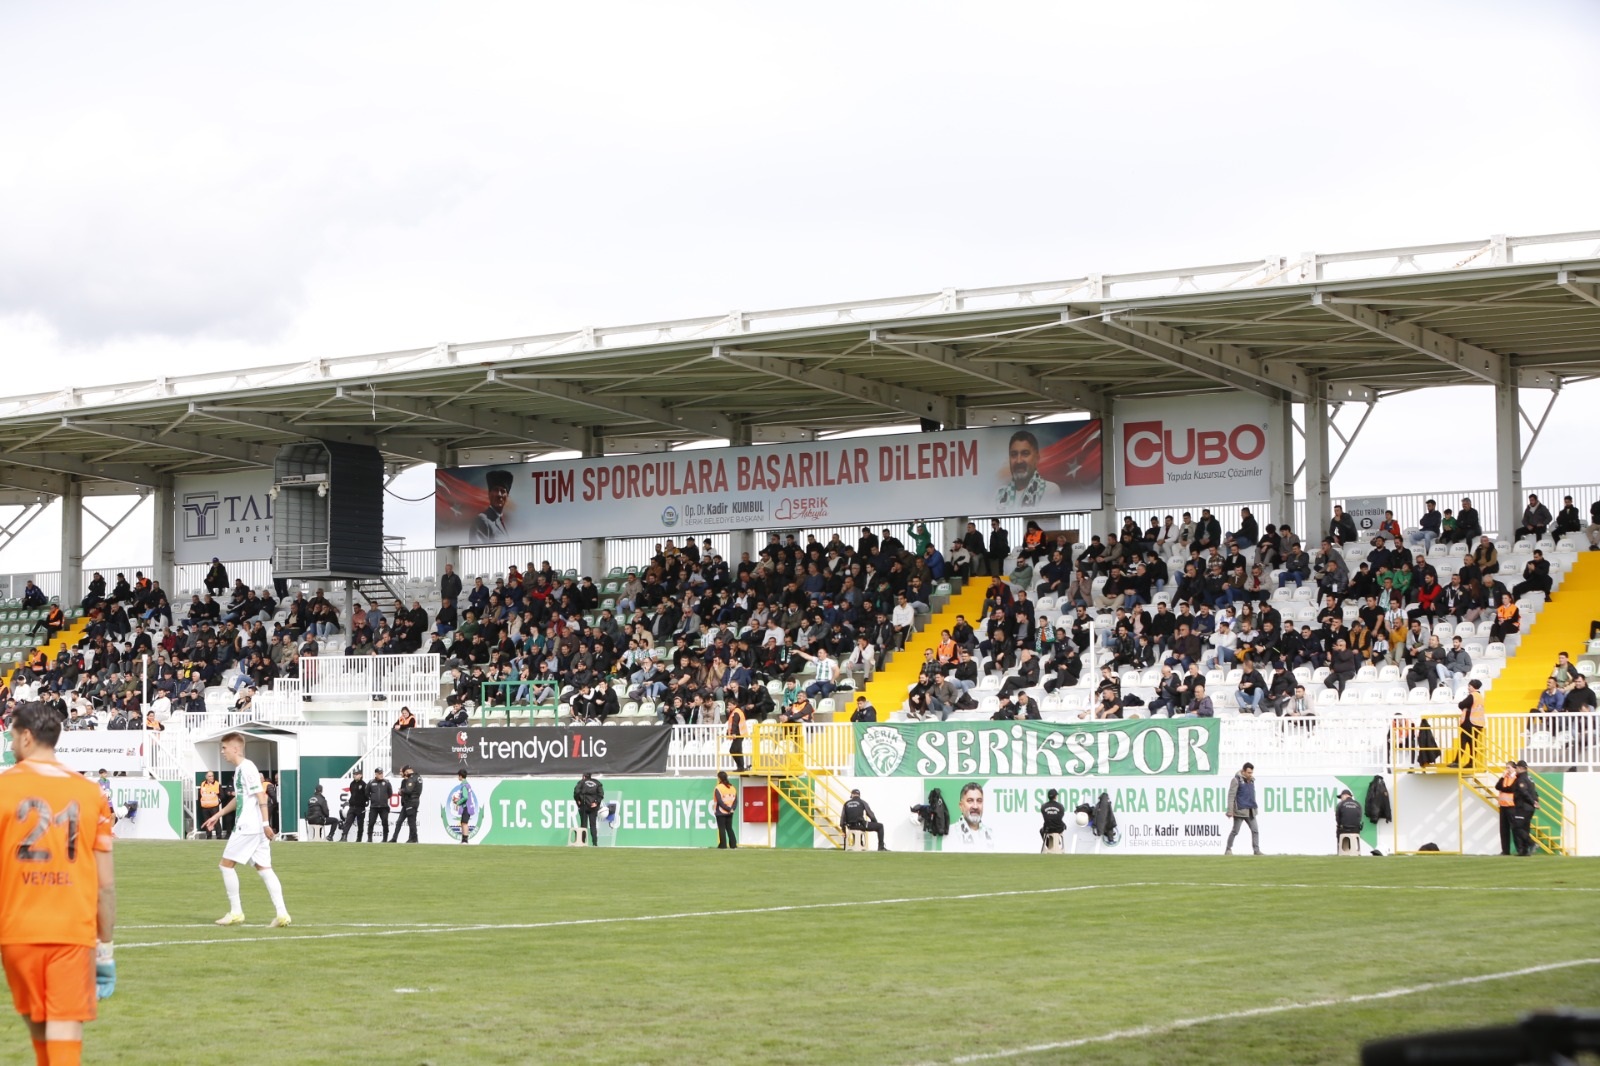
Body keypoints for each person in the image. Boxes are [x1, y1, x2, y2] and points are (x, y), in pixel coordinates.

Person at [0, 702, 118, 1066]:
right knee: (64, 1032)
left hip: (17, 931)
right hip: (71, 930)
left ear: (26, 736)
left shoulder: (3, 787)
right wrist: (106, 947)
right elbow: (105, 885)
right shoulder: (90, 793)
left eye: (12, 735)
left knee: (38, 1026)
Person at [205, 732, 291, 928]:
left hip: (249, 827)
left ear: (235, 748)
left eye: (224, 748)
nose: (222, 752)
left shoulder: (247, 768)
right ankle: (282, 914)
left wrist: (265, 824)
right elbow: (241, 799)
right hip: (254, 827)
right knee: (264, 869)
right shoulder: (240, 770)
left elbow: (261, 796)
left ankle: (236, 912)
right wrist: (218, 815)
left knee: (226, 865)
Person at [996, 429, 1056, 509]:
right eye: (1014, 454)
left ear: (1037, 458)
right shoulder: (998, 494)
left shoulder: (1049, 490)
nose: (1019, 461)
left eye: (1025, 454)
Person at [1224, 762, 1261, 855]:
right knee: (1235, 831)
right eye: (1248, 772)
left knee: (1255, 830)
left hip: (1251, 810)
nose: (1250, 774)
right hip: (1240, 811)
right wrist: (1230, 810)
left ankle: (1256, 850)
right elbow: (1231, 796)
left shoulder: (1252, 780)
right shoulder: (1236, 780)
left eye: (1251, 772)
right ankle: (1228, 849)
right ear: (1243, 771)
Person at [471, 469, 514, 543]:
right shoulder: (482, 520)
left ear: (507, 496)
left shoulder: (503, 522)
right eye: (495, 490)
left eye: (503, 491)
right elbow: (477, 550)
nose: (499, 495)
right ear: (489, 494)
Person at [948, 782, 994, 850]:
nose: (975, 806)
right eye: (970, 801)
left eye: (979, 801)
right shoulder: (951, 832)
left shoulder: (992, 834)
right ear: (961, 806)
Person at [1510, 760, 1539, 856]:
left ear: (1521, 768)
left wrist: (1532, 802)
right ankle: (1524, 851)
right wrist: (1535, 801)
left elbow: (1524, 792)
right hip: (1529, 807)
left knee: (1517, 827)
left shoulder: (1521, 779)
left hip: (1523, 806)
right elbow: (1534, 792)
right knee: (1525, 828)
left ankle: (1531, 843)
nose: (1516, 769)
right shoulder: (1529, 778)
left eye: (1517, 767)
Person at [1494, 763, 1519, 856]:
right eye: (1506, 768)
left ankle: (1519, 849)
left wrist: (1503, 788)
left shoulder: (1516, 777)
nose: (1507, 769)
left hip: (1511, 806)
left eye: (1509, 767)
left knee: (1515, 828)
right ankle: (1505, 850)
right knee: (1503, 829)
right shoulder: (1505, 777)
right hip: (1503, 805)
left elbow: (1511, 789)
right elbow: (1497, 786)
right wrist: (1502, 776)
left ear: (1514, 768)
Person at [392, 766, 422, 844]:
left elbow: (408, 790)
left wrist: (402, 791)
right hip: (407, 802)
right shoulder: (417, 777)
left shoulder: (412, 778)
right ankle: (394, 838)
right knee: (400, 821)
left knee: (411, 821)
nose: (402, 773)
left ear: (407, 771)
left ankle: (414, 839)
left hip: (411, 801)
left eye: (403, 771)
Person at [338, 768, 369, 842]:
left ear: (360, 775)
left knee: (360, 824)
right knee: (348, 822)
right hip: (352, 806)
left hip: (360, 807)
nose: (354, 776)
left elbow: (367, 796)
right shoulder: (352, 784)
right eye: (354, 774)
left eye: (356, 774)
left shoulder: (364, 784)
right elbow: (352, 793)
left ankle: (359, 839)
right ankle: (344, 837)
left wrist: (362, 802)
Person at [573, 772, 603, 847]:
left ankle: (583, 842)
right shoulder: (597, 783)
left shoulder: (581, 782)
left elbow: (576, 791)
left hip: (584, 805)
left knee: (583, 825)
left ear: (583, 777)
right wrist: (596, 803)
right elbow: (601, 794)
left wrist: (577, 800)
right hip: (593, 806)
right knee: (593, 825)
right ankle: (595, 843)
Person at [365, 768, 394, 843]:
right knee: (371, 822)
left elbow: (390, 793)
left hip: (384, 807)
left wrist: (383, 799)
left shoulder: (387, 782)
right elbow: (366, 793)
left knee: (385, 822)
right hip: (374, 807)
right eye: (379, 773)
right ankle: (369, 839)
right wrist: (372, 798)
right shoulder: (371, 782)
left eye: (382, 773)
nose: (381, 775)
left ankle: (385, 839)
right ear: (376, 774)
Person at [713, 771, 738, 850]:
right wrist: (732, 809)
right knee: (729, 828)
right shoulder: (732, 787)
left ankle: (723, 845)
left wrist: (727, 809)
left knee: (722, 828)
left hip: (721, 811)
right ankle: (733, 844)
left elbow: (719, 801)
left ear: (719, 778)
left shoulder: (718, 788)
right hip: (730, 811)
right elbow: (735, 800)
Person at [453, 769, 477, 844]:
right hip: (467, 806)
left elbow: (465, 797)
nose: (458, 777)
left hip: (466, 806)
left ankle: (465, 840)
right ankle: (463, 839)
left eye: (458, 776)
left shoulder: (464, 785)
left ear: (460, 776)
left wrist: (458, 802)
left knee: (464, 823)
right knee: (463, 822)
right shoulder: (467, 784)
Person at [725, 699, 749, 773]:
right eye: (728, 705)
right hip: (740, 734)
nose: (728, 706)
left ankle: (740, 767)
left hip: (738, 734)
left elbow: (735, 724)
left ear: (734, 705)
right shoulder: (736, 712)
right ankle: (741, 767)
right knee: (738, 751)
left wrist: (733, 733)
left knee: (733, 750)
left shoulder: (736, 712)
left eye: (730, 705)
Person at [198, 770, 222, 840]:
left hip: (214, 807)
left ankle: (219, 836)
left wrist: (218, 801)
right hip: (205, 807)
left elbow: (222, 795)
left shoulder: (217, 784)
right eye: (210, 776)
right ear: (206, 777)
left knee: (216, 822)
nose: (211, 777)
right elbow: (200, 795)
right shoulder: (202, 784)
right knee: (207, 822)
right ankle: (208, 836)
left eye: (212, 776)